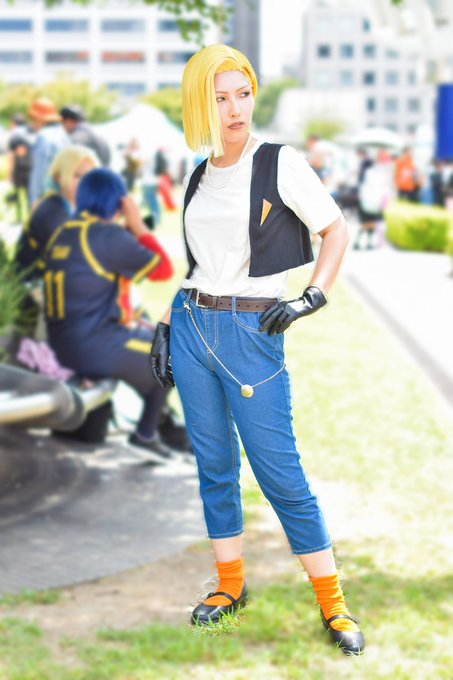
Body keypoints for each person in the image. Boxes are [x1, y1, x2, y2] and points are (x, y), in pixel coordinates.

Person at [150, 44, 365, 655]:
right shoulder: (198, 175)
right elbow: (199, 266)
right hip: (193, 325)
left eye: (242, 94)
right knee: (213, 464)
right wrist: (166, 325)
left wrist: (311, 297)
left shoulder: (279, 162)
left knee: (279, 471)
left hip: (253, 331)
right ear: (200, 104)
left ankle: (334, 604)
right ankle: (229, 585)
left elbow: (334, 229)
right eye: (220, 98)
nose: (234, 109)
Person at [42, 168, 178, 461]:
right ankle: (146, 434)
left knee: (154, 341)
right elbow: (163, 269)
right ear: (118, 200)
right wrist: (138, 225)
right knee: (177, 352)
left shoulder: (66, 231)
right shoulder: (106, 235)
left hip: (63, 344)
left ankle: (160, 422)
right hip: (92, 346)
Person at [16, 145, 99, 278]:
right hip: (35, 284)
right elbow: (76, 259)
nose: (84, 183)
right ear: (58, 177)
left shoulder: (72, 207)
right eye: (77, 176)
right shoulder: (52, 213)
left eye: (89, 177)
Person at [27, 98, 70, 206]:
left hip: (47, 198)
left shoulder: (44, 136)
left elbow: (40, 171)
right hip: (63, 197)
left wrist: (35, 199)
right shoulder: (63, 135)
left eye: (33, 119)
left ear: (39, 118)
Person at [6, 113, 32, 224]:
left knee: (17, 194)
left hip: (18, 169)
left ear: (14, 123)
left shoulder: (14, 135)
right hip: (29, 168)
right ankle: (30, 217)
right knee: (29, 195)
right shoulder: (30, 132)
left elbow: (12, 156)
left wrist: (10, 174)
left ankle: (19, 217)